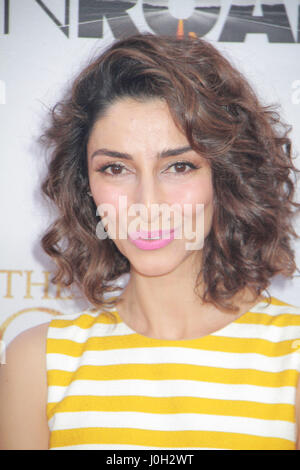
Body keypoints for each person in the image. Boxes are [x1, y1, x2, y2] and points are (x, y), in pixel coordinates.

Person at [1, 33, 300, 450]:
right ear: (85, 184)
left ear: (225, 176)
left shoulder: (293, 358)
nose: (147, 203)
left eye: (178, 166)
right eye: (115, 169)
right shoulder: (39, 362)